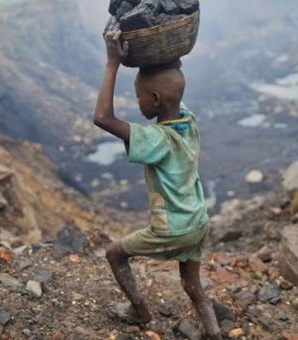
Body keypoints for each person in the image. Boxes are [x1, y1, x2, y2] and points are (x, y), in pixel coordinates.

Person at [93, 30, 222, 339]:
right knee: (192, 285)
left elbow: (102, 117)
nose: (137, 104)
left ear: (153, 99)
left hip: (172, 230)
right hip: (199, 223)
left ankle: (140, 311)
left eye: (138, 97)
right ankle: (215, 333)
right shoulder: (187, 123)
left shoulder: (158, 139)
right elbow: (174, 91)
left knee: (115, 254)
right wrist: (170, 59)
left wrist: (112, 63)